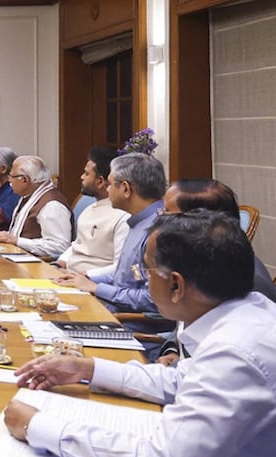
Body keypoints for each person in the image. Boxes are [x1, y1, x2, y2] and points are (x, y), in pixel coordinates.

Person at [4, 210, 276, 457]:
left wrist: (38, 426)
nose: (142, 279)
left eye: (146, 271)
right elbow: (179, 382)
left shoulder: (237, 352)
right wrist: (87, 370)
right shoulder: (246, 315)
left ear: (176, 285)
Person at [156, 179, 276, 367]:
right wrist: (173, 349)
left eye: (167, 213)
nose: (158, 219)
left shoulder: (250, 285)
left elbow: (225, 365)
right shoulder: (196, 262)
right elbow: (186, 321)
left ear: (198, 222)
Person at [53, 153, 165, 315]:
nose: (107, 189)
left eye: (110, 184)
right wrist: (86, 280)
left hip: (128, 323)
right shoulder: (137, 222)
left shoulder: (157, 230)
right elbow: (126, 277)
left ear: (126, 189)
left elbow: (153, 299)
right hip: (108, 306)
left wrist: (97, 288)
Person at [54, 147, 130, 277]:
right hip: (68, 276)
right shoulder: (89, 209)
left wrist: (85, 275)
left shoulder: (124, 216)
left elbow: (120, 267)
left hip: (93, 284)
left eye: (87, 174)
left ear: (100, 181)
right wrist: (59, 264)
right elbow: (78, 245)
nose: (82, 177)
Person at [0, 155, 72, 258]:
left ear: (24, 180)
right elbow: (23, 235)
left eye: (11, 176)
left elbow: (59, 247)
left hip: (37, 268)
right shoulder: (29, 196)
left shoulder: (53, 205)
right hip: (19, 258)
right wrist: (2, 234)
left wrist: (16, 241)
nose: (9, 180)